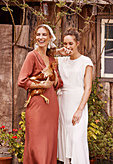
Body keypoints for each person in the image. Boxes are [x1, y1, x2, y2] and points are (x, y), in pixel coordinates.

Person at [18, 24, 63, 164]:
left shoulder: (51, 59)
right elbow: (22, 80)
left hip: (51, 104)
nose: (41, 37)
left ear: (50, 38)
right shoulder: (32, 56)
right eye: (38, 35)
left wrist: (54, 78)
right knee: (37, 142)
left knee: (49, 141)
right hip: (37, 104)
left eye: (44, 35)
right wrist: (42, 84)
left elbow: (59, 83)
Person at [56, 28, 93, 164]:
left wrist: (79, 110)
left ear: (77, 43)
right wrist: (59, 51)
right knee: (66, 141)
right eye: (65, 44)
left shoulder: (86, 61)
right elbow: (42, 53)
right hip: (63, 103)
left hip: (78, 103)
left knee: (77, 140)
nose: (67, 47)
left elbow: (88, 88)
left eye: (70, 43)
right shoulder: (61, 61)